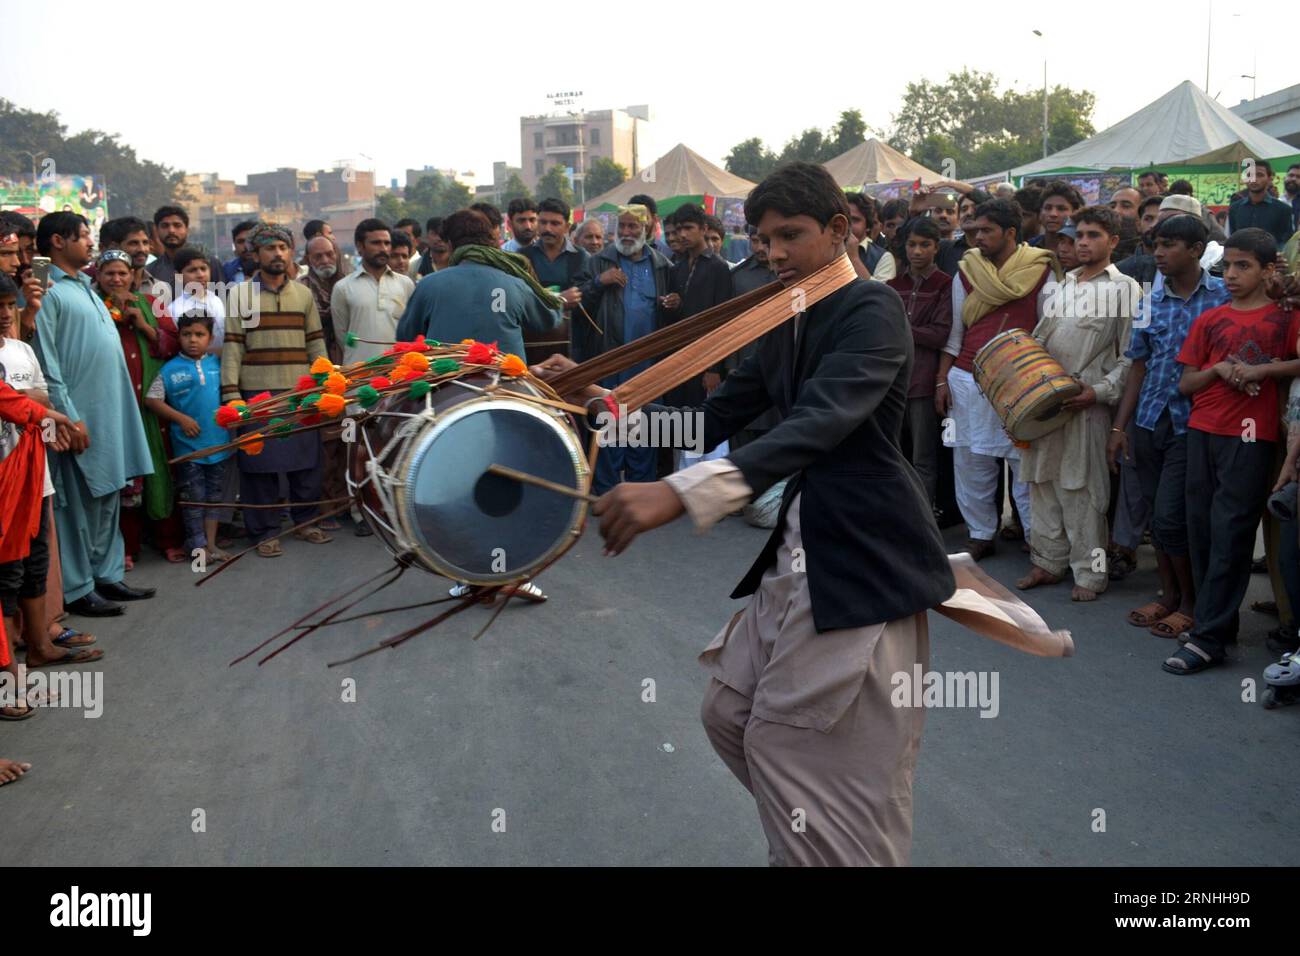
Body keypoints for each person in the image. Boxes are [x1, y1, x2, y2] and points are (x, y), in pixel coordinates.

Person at [532, 161, 955, 866]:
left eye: (791, 235)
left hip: (863, 554)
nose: (775, 253)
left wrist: (682, 493)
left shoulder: (871, 308)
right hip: (804, 541)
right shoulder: (788, 316)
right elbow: (708, 419)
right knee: (730, 715)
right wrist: (591, 405)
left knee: (792, 746)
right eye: (764, 239)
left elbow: (818, 423)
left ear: (840, 230)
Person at [1163, 229, 1300, 674]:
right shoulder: (1211, 319)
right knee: (1201, 531)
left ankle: (1208, 639)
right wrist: (1221, 369)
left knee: (1230, 534)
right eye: (1229, 266)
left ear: (1268, 269)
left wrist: (1263, 370)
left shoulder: (1285, 317)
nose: (1233, 274)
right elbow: (1186, 383)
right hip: (1202, 430)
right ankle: (1215, 626)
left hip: (1250, 435)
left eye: (1245, 266)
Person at [1107, 214, 1230, 640]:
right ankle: (1169, 596)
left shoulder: (1221, 297)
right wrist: (1119, 428)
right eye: (1155, 244)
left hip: (1193, 424)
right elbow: (1137, 367)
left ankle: (1192, 603)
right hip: (1148, 420)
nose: (1158, 253)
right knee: (1159, 519)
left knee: (1174, 516)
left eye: (1169, 245)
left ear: (1196, 250)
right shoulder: (1150, 301)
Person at [32, 213, 156, 616]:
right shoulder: (47, 288)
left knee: (108, 496)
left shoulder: (85, 285)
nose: (90, 242)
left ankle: (106, 574)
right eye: (83, 235)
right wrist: (68, 417)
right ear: (57, 241)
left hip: (110, 413)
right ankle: (78, 587)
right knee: (76, 506)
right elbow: (46, 361)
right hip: (78, 417)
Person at [1017, 206, 1139, 602]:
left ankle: (1091, 575)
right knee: (1042, 483)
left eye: (1093, 235)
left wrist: (1098, 392)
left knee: (1085, 492)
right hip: (1044, 402)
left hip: (1087, 404)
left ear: (1113, 241)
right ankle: (1047, 563)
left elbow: (1131, 358)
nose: (1083, 243)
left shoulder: (1125, 289)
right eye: (1079, 235)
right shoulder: (1063, 284)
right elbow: (1040, 340)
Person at [938, 199, 1058, 560]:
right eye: (975, 230)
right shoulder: (966, 271)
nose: (978, 237)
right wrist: (941, 380)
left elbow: (1048, 331)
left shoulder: (1041, 270)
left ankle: (1038, 539)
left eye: (986, 230)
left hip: (1021, 381)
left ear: (1010, 232)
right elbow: (956, 332)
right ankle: (980, 534)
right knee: (970, 460)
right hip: (967, 378)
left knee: (1025, 464)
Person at [0, 273, 103, 672]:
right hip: (5, 480)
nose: (5, 314)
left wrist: (33, 408)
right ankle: (9, 670)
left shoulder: (21, 350)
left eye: (8, 305)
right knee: (7, 572)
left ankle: (39, 644)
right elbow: (28, 403)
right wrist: (28, 404)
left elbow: (42, 396)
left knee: (35, 561)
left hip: (33, 476)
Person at [220, 222, 332, 557]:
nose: (278, 254)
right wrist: (232, 396)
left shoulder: (303, 294)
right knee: (259, 467)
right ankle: (264, 532)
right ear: (256, 255)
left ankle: (306, 522)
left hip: (300, 393)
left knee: (306, 464)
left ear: (290, 252)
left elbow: (316, 345)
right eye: (270, 248)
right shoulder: (240, 295)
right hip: (257, 396)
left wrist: (325, 386)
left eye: (283, 248)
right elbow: (233, 347)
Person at [94, 248, 183, 565]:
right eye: (109, 273)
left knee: (161, 469)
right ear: (98, 277)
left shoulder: (151, 303)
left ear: (133, 276)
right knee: (124, 476)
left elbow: (175, 345)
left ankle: (168, 539)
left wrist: (144, 326)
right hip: (115, 405)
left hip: (152, 406)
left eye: (122, 273)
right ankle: (127, 548)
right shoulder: (93, 308)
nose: (116, 279)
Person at [576, 205, 674, 493]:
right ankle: (605, 493)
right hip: (610, 360)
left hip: (647, 363)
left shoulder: (662, 266)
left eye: (634, 227)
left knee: (643, 427)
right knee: (609, 425)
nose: (627, 232)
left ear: (646, 229)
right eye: (623, 226)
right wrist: (599, 282)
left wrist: (673, 303)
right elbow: (577, 304)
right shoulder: (598, 263)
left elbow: (673, 313)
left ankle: (640, 491)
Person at [396, 209, 563, 358]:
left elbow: (406, 335)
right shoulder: (516, 285)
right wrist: (558, 299)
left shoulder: (428, 285)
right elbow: (548, 320)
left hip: (445, 377)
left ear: (450, 244)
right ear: (491, 241)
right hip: (506, 377)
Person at [145, 313, 235, 565]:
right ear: (179, 337)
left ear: (210, 338)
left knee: (214, 497)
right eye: (186, 334)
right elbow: (152, 400)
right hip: (189, 449)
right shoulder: (169, 369)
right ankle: (198, 548)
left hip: (218, 445)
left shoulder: (217, 363)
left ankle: (211, 544)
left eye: (199, 335)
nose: (193, 340)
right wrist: (181, 419)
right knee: (193, 498)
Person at [887, 217, 951, 505]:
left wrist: (900, 328)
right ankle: (898, 512)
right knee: (894, 454)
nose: (917, 251)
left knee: (923, 457)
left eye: (925, 245)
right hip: (892, 380)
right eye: (912, 244)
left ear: (936, 247)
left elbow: (939, 334)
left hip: (924, 381)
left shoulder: (944, 284)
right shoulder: (893, 285)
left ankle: (923, 514)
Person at [662, 203, 734, 406]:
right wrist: (672, 304)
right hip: (678, 357)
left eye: (688, 228)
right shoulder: (677, 268)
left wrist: (714, 369)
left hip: (704, 358)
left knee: (699, 418)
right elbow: (673, 318)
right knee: (675, 415)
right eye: (679, 229)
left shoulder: (718, 267)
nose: (682, 235)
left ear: (703, 229)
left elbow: (722, 320)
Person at [329, 219, 415, 366]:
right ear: (360, 246)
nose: (383, 248)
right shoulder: (343, 288)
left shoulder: (405, 284)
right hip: (359, 373)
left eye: (387, 243)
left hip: (398, 372)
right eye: (376, 243)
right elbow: (343, 338)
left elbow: (411, 331)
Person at [520, 199, 589, 318]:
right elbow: (521, 297)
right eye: (543, 222)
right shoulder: (524, 256)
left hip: (571, 326)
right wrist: (560, 300)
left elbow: (585, 296)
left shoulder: (580, 257)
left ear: (567, 227)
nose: (547, 229)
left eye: (555, 223)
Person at [145, 205, 221, 290]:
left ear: (187, 229)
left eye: (177, 225)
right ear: (157, 230)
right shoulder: (151, 271)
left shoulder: (209, 263)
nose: (171, 230)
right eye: (165, 226)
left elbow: (221, 295)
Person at [1228, 160, 1295, 248]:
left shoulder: (1283, 209)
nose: (1254, 179)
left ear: (1269, 178)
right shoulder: (1235, 208)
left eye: (1259, 175)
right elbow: (1232, 238)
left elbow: (1286, 241)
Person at [1030, 180, 1084, 257]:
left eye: (1061, 209)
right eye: (1048, 208)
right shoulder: (1028, 248)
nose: (1053, 214)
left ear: (1074, 213)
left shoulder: (1082, 250)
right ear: (1040, 212)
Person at [629, 193, 673, 260]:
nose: (638, 224)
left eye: (643, 218)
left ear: (655, 219)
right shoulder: (617, 252)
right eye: (634, 218)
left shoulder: (666, 254)